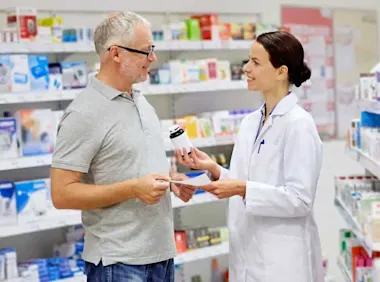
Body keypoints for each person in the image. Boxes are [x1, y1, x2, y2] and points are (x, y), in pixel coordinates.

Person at [50, 11, 196, 282]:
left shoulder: (141, 102)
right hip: (118, 263)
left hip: (161, 255)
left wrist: (172, 181)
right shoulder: (84, 113)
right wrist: (132, 189)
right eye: (145, 51)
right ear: (115, 53)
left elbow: (133, 168)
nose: (153, 58)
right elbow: (61, 194)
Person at [175, 31, 324, 282]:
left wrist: (243, 189)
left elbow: (300, 199)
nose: (246, 68)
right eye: (248, 60)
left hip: (282, 263)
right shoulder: (250, 122)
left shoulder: (299, 124)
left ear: (281, 71)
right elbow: (247, 181)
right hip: (247, 256)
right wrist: (214, 169)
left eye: (256, 62)